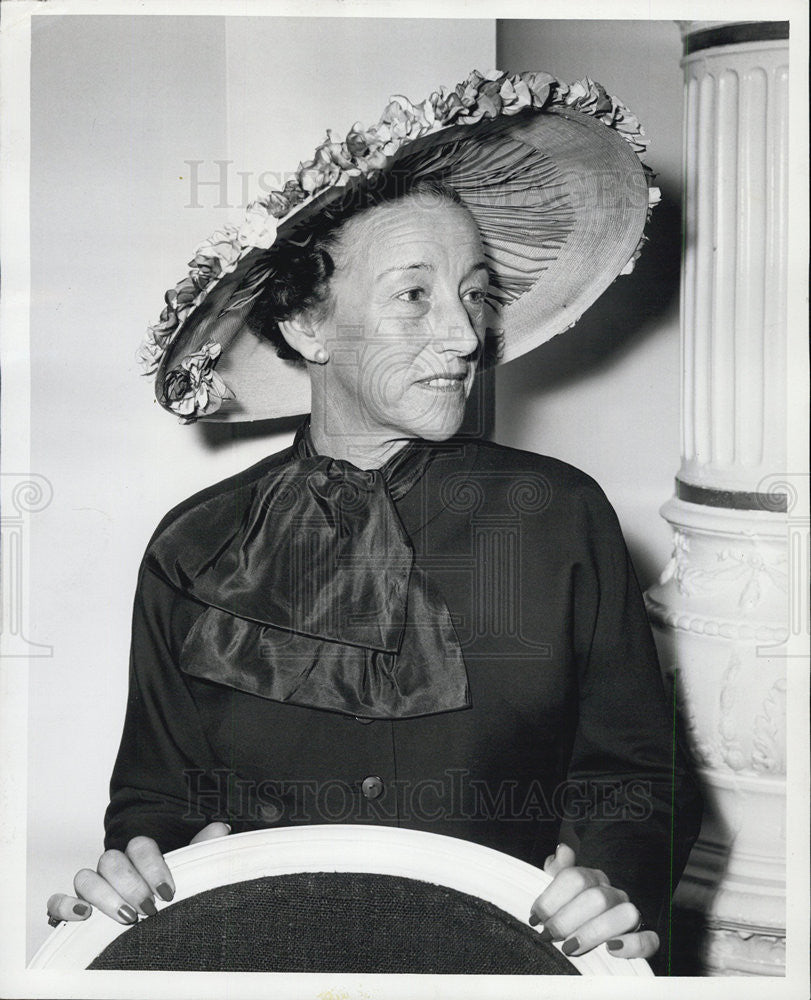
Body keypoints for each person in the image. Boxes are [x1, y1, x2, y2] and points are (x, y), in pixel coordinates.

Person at [46, 69, 701, 968]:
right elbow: (157, 798)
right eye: (412, 295)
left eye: (476, 295)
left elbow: (639, 778)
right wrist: (138, 867)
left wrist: (609, 878)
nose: (466, 337)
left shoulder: (558, 516)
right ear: (308, 326)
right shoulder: (192, 545)